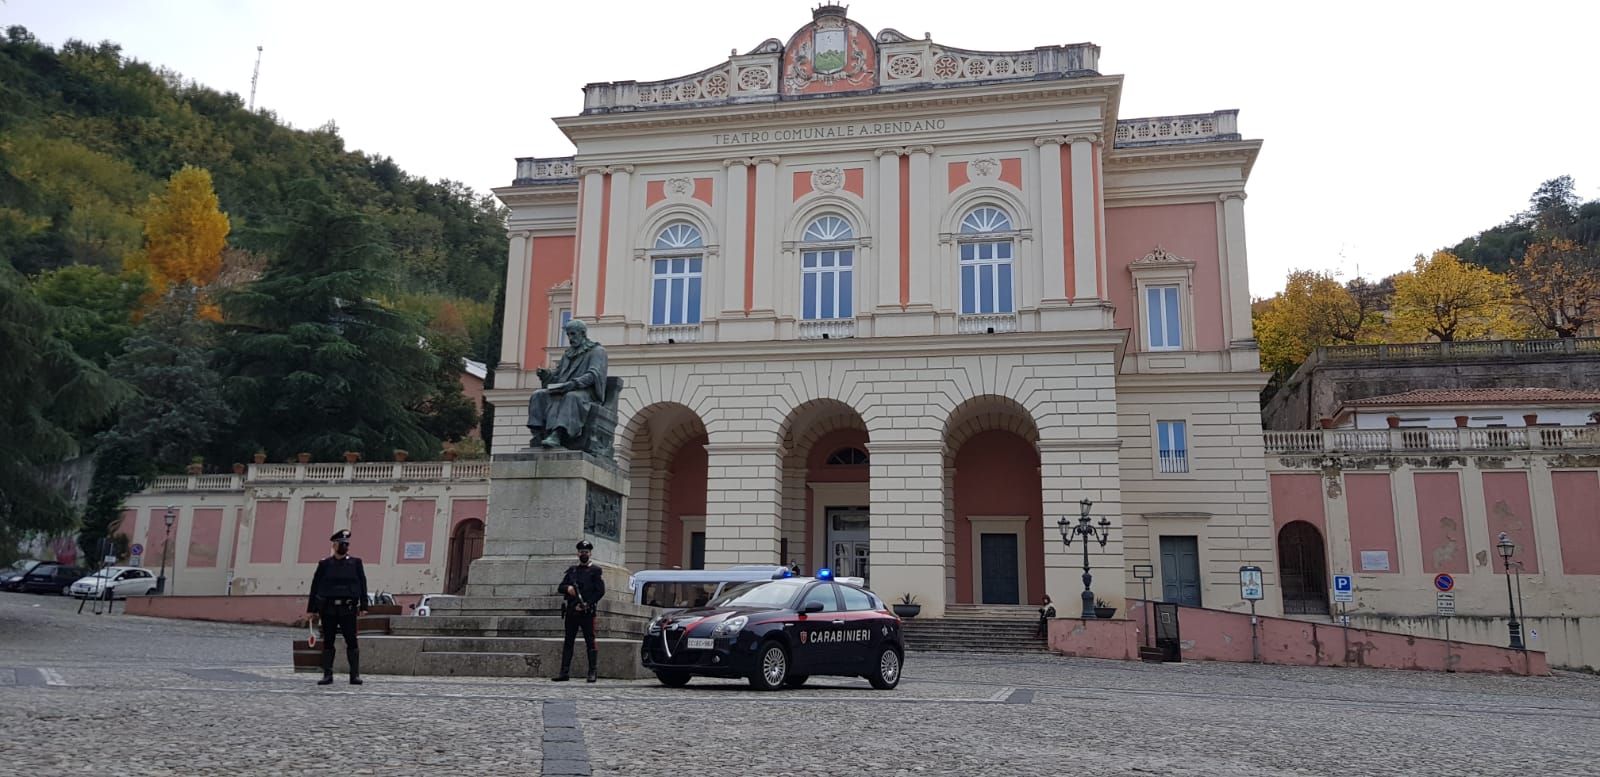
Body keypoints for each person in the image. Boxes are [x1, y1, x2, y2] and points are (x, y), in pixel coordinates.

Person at [526, 319, 609, 449]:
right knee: (538, 395)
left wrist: (574, 383)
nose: (570, 338)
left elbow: (594, 374)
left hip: (587, 394)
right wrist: (546, 375)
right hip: (564, 389)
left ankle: (557, 434)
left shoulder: (597, 351)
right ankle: (539, 433)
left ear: (582, 333)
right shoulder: (568, 354)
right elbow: (558, 376)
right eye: (568, 334)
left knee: (571, 397)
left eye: (573, 334)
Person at [307, 529, 369, 685]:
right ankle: (327, 674)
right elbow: (315, 587)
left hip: (347, 609)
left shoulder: (355, 563)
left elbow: (362, 584)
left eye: (346, 544)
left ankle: (354, 675)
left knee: (351, 641)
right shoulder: (325, 564)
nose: (344, 546)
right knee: (328, 641)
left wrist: (364, 605)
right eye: (341, 544)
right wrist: (311, 610)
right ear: (334, 545)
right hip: (328, 609)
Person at [554, 540, 605, 682]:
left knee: (590, 641)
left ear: (590, 554)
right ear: (578, 553)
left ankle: (592, 672)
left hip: (587, 612)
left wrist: (587, 604)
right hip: (571, 612)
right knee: (568, 641)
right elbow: (560, 587)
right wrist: (567, 589)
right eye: (582, 552)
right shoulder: (572, 571)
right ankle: (564, 672)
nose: (584, 554)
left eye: (586, 552)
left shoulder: (595, 571)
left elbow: (600, 591)